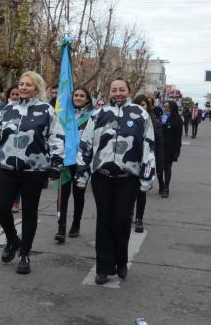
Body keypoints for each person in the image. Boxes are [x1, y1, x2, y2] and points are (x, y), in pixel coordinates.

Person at [0, 71, 65, 274]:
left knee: (29, 212)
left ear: (36, 88)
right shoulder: (7, 109)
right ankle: (12, 239)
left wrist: (56, 164)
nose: (23, 87)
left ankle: (25, 254)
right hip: (7, 168)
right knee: (2, 209)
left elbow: (56, 138)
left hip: (34, 170)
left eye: (28, 84)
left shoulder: (46, 111)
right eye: (21, 84)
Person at [77, 78, 155, 284]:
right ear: (109, 92)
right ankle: (103, 267)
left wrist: (147, 179)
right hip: (102, 176)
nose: (118, 93)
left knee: (121, 221)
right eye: (114, 90)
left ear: (129, 91)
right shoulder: (99, 115)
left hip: (128, 178)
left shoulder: (140, 115)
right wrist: (81, 174)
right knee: (104, 221)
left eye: (122, 89)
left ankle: (121, 261)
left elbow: (148, 147)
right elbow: (86, 145)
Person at [55, 87, 95, 242]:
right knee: (62, 195)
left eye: (82, 95)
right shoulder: (65, 115)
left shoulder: (92, 116)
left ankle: (76, 223)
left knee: (78, 195)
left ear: (87, 99)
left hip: (81, 162)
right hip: (66, 160)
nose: (78, 97)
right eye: (76, 95)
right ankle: (61, 227)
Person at [132, 95, 164, 234]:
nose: (141, 107)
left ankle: (139, 218)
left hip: (146, 161)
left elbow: (158, 145)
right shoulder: (129, 119)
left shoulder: (154, 121)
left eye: (143, 104)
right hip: (130, 161)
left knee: (141, 191)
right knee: (128, 192)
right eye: (138, 104)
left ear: (148, 106)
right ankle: (128, 215)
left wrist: (159, 166)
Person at [159, 100, 182, 198]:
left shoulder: (177, 120)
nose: (165, 109)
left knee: (167, 168)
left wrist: (176, 152)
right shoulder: (160, 118)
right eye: (164, 107)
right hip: (159, 146)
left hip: (170, 148)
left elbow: (178, 138)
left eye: (167, 107)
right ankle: (161, 185)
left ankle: (166, 188)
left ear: (172, 108)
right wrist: (162, 123)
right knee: (159, 168)